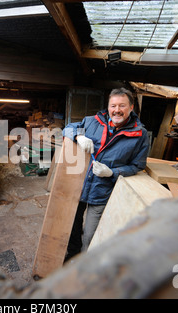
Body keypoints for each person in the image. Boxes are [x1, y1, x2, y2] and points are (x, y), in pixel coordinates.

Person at [62, 87, 149, 261]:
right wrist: (79, 137)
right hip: (79, 186)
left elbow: (137, 166)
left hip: (103, 191)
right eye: (113, 105)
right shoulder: (92, 121)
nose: (117, 110)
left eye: (122, 106)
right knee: (72, 230)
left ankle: (85, 268)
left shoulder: (140, 135)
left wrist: (112, 172)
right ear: (108, 107)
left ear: (131, 107)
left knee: (91, 237)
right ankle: (71, 259)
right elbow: (68, 128)